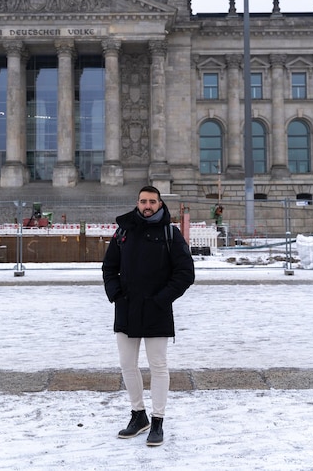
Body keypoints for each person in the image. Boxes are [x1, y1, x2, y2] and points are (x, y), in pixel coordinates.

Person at [102, 185, 195, 447]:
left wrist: (162, 299)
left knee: (158, 367)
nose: (147, 205)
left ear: (160, 204)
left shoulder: (170, 233)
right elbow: (109, 267)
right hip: (127, 308)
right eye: (143, 201)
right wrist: (116, 295)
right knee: (127, 365)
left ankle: (157, 420)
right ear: (137, 202)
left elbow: (186, 272)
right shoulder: (123, 231)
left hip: (156, 309)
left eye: (152, 201)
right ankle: (138, 415)